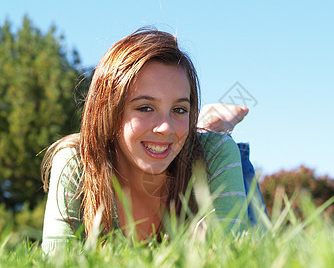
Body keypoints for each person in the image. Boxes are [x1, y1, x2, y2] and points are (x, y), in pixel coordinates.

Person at [41, 28, 260, 253]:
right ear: (108, 112)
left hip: (208, 161)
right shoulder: (76, 160)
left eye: (179, 109)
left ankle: (210, 127)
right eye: (145, 108)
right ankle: (207, 125)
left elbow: (224, 264)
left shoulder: (217, 152)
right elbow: (56, 266)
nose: (165, 127)